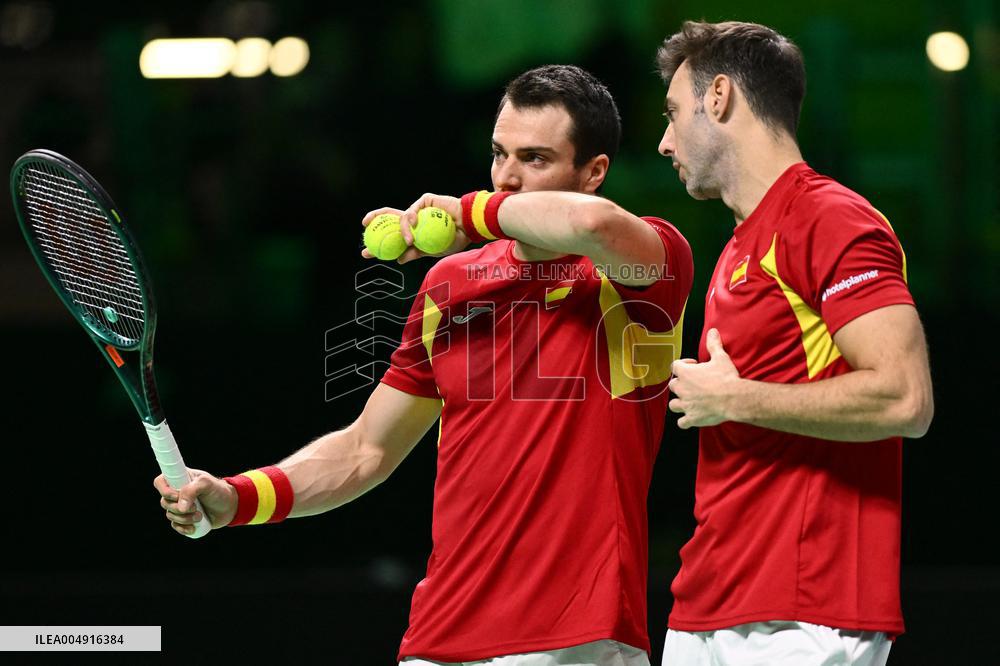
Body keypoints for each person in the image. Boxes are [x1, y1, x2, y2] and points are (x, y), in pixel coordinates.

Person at [156, 64, 694, 666]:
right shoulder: (451, 285)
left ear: (593, 172)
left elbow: (589, 223)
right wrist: (236, 498)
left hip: (576, 638)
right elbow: (367, 451)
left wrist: (468, 214)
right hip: (440, 638)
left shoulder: (644, 269)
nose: (507, 179)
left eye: (535, 159)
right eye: (498, 154)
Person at [652, 20, 934, 666]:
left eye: (673, 113)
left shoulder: (830, 217)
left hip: (803, 612)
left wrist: (737, 398)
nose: (665, 142)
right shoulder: (737, 245)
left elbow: (905, 399)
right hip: (711, 600)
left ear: (719, 97)